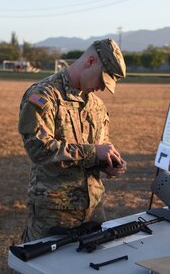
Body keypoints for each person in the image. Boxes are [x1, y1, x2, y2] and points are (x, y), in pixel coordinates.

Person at [18, 38, 127, 242]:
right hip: (55, 210)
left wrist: (108, 163)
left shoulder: (96, 105)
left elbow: (98, 148)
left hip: (93, 207)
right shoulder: (43, 95)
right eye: (102, 79)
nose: (102, 88)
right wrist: (94, 152)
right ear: (90, 61)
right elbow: (38, 149)